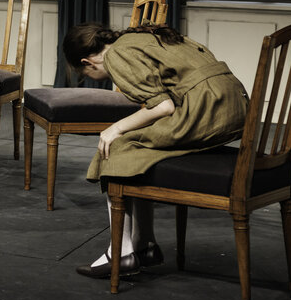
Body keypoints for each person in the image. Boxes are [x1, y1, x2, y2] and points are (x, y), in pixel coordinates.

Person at [63, 21, 248, 278]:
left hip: (209, 111)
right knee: (138, 151)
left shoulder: (115, 55)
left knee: (115, 148)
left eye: (84, 74)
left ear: (87, 62)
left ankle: (121, 252)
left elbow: (163, 107)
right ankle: (145, 246)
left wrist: (115, 128)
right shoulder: (138, 38)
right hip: (235, 106)